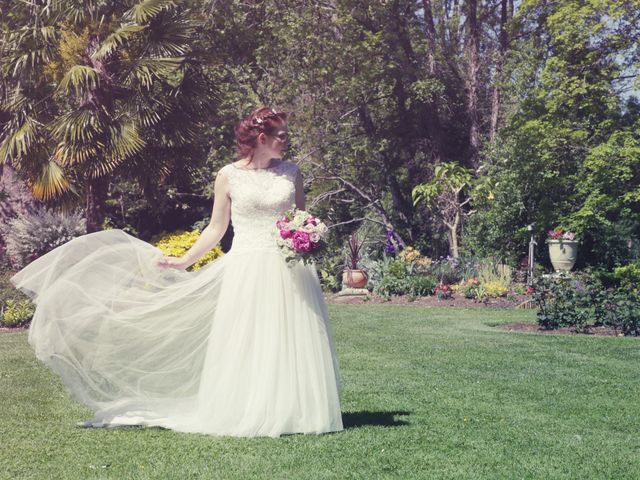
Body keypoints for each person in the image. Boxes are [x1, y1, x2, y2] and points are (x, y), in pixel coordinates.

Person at [10, 106, 344, 438]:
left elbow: (300, 218)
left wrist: (309, 236)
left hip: (289, 268)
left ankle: (296, 410)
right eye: (282, 135)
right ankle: (249, 408)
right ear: (262, 138)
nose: (287, 141)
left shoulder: (292, 172)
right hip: (247, 266)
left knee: (291, 335)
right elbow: (216, 228)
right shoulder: (229, 176)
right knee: (250, 337)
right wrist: (184, 260)